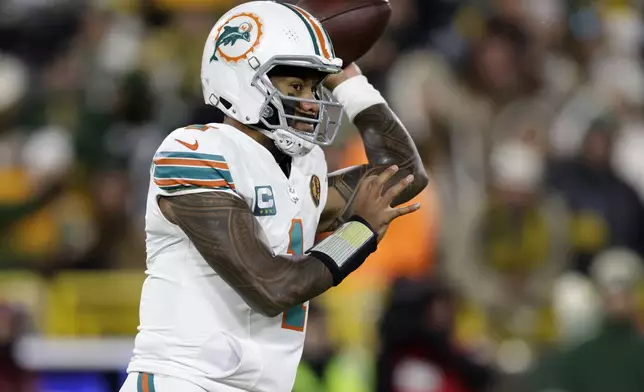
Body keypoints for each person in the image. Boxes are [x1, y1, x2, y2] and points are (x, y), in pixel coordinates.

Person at [119, 2, 428, 392]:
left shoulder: (306, 166)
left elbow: (404, 176)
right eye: (295, 87)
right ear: (241, 81)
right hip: (183, 382)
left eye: (314, 87)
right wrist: (359, 232)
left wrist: (351, 83)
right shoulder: (195, 151)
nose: (310, 102)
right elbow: (272, 288)